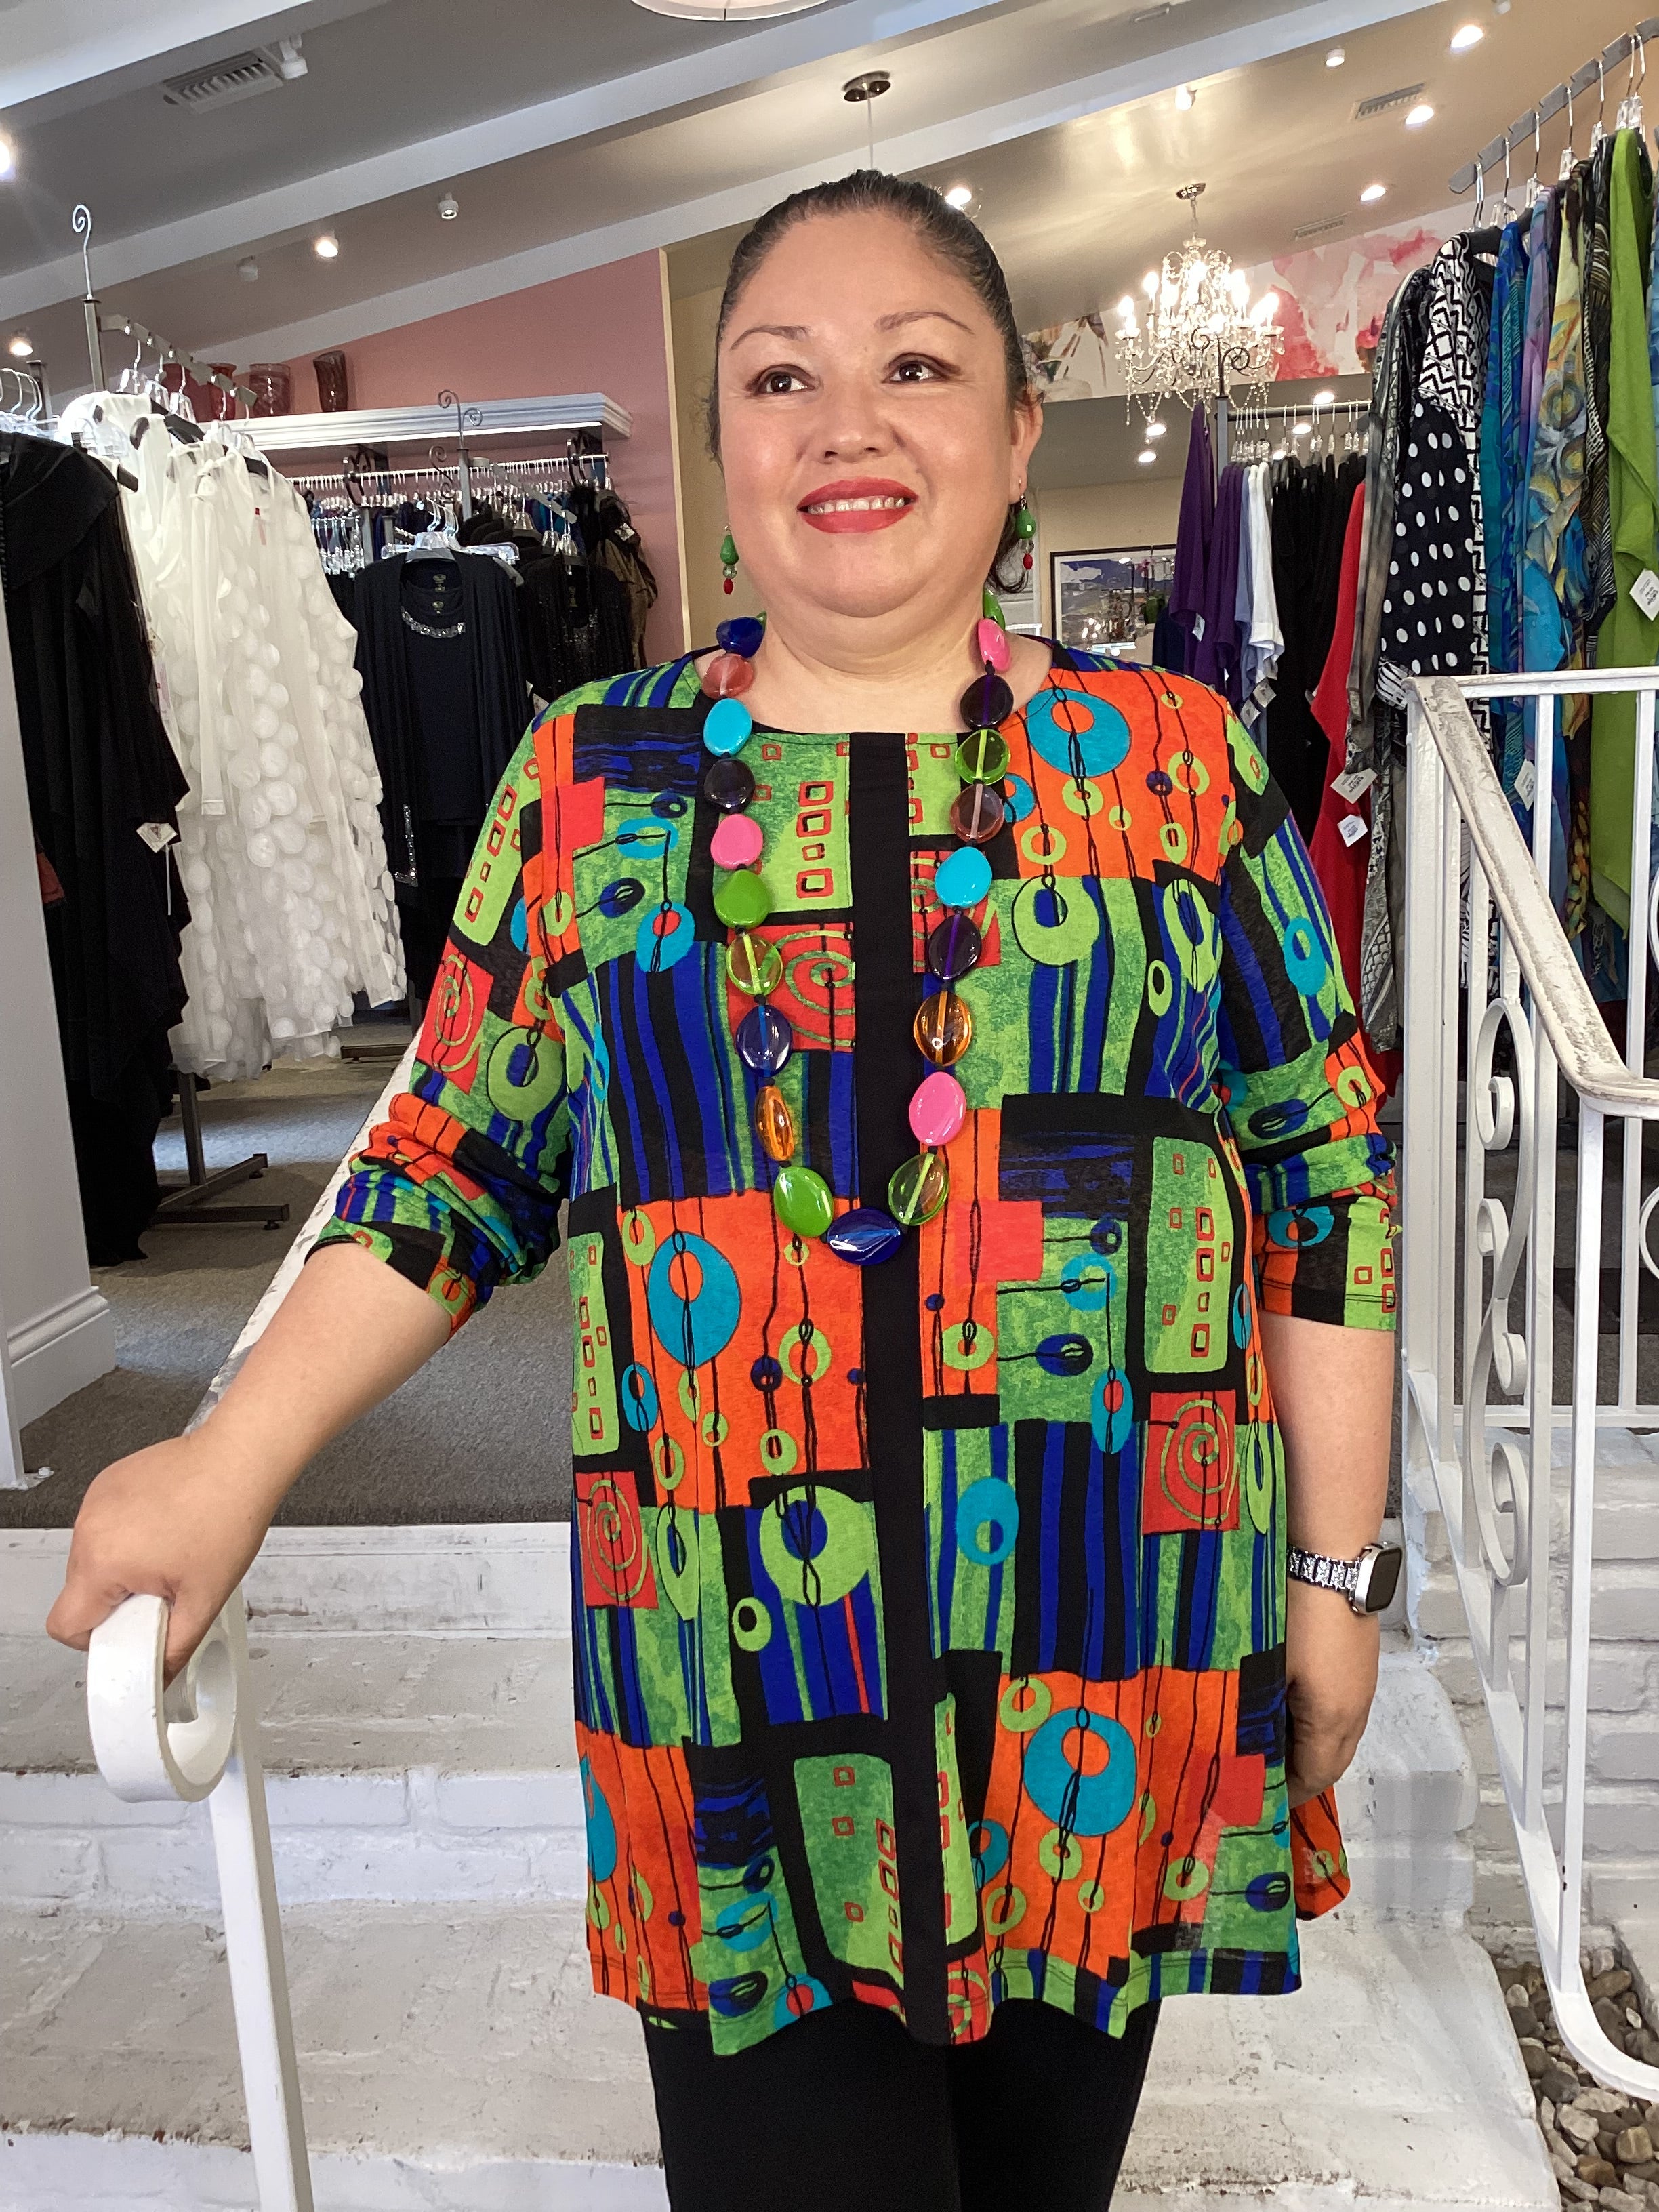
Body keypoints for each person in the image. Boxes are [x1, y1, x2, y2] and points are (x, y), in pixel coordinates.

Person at [49, 171, 1399, 2211]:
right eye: (781, 378)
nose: (849, 424)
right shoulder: (590, 781)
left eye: (917, 366)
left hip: (1109, 1662)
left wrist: (1335, 1578)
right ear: (723, 439)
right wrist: (222, 1461)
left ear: (1017, 427)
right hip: (740, 1694)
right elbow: (449, 1167)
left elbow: (1327, 1175)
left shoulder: (1178, 766)